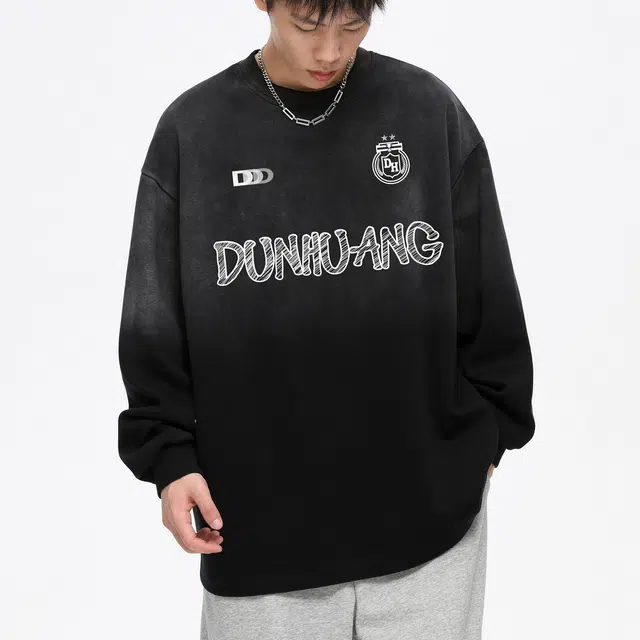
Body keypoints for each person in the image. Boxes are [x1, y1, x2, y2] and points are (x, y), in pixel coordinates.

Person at [117, 0, 535, 638]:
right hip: (259, 526)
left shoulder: (425, 111)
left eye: (353, 23)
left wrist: (491, 429)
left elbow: (488, 287)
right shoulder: (195, 131)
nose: (331, 51)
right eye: (308, 24)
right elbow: (154, 319)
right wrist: (170, 459)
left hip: (430, 524)